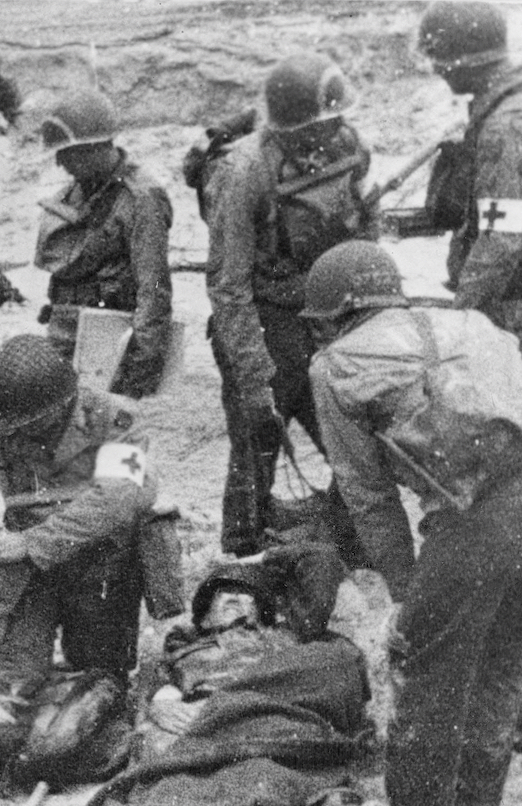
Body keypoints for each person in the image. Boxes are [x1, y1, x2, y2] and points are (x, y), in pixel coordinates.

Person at [303, 240, 522, 806]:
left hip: (484, 514)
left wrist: (407, 591)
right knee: (503, 658)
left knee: (430, 666)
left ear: (335, 316)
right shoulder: (474, 323)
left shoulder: (334, 366)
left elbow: (369, 496)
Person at [202, 55, 373, 557]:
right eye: (323, 124)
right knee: (257, 441)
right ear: (294, 128)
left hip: (329, 317)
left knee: (353, 441)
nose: (334, 131)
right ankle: (244, 552)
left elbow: (367, 228)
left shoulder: (350, 145)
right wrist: (254, 375)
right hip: (267, 322)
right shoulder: (244, 170)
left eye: (337, 121)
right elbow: (228, 285)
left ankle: (345, 538)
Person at [0, 335, 159, 686]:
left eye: (31, 423)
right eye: (13, 425)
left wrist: (31, 542)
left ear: (62, 404)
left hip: (101, 563)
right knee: (19, 680)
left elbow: (122, 497)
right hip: (29, 573)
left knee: (99, 679)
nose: (20, 432)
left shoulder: (113, 419)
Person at [417, 0, 522, 399]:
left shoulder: (505, 128)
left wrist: (461, 318)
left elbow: (500, 240)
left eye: (441, 59)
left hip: (510, 305)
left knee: (510, 414)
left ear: (469, 60)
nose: (437, 70)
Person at [34, 89, 175, 399]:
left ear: (93, 148)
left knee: (100, 422)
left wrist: (143, 358)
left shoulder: (141, 198)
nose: (59, 163)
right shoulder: (79, 190)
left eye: (66, 153)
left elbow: (153, 287)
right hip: (66, 330)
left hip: (111, 339)